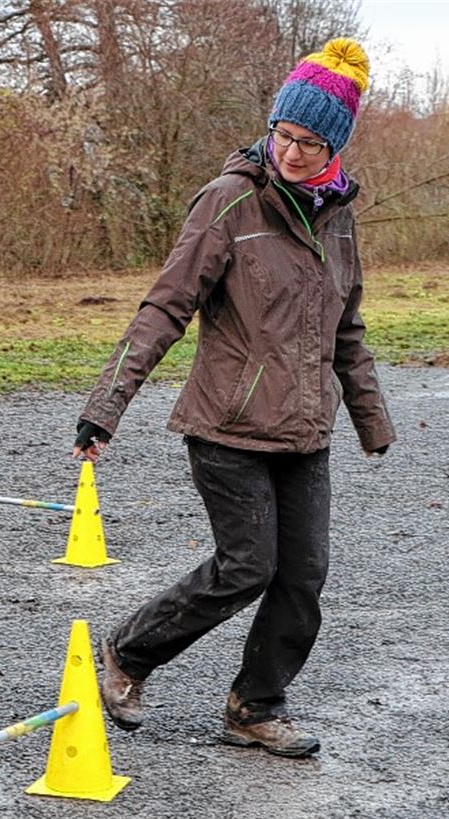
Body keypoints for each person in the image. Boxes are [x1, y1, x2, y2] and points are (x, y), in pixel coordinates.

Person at [73, 38, 395, 758]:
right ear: (272, 125)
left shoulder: (338, 217)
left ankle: (255, 707)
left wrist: (371, 418)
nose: (293, 153)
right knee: (248, 564)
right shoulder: (230, 202)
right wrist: (106, 406)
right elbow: (164, 307)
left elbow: (347, 327)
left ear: (335, 146)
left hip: (305, 431)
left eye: (312, 143)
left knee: (303, 578)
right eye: (285, 134)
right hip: (227, 423)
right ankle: (128, 654)